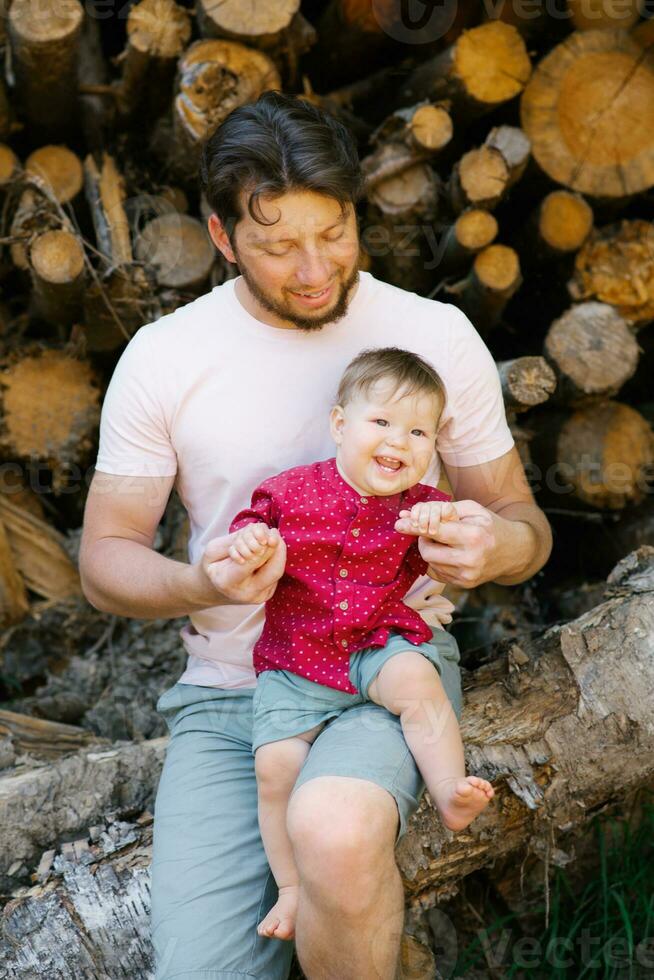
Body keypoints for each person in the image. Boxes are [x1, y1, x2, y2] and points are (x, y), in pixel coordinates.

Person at [79, 90, 552, 980]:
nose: (311, 268)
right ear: (222, 237)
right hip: (233, 698)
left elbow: (525, 524)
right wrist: (204, 585)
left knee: (333, 834)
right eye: (274, 243)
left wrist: (497, 548)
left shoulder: (433, 335)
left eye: (332, 234)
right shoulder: (165, 357)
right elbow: (104, 560)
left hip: (385, 666)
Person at [227, 346, 495, 942]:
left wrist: (444, 528)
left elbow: (462, 533)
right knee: (275, 767)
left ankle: (449, 788)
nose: (400, 441)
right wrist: (250, 545)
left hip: (375, 639)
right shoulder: (291, 492)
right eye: (382, 423)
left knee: (416, 682)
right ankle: (293, 888)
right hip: (296, 656)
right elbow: (250, 525)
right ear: (340, 425)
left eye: (419, 430)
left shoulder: (422, 506)